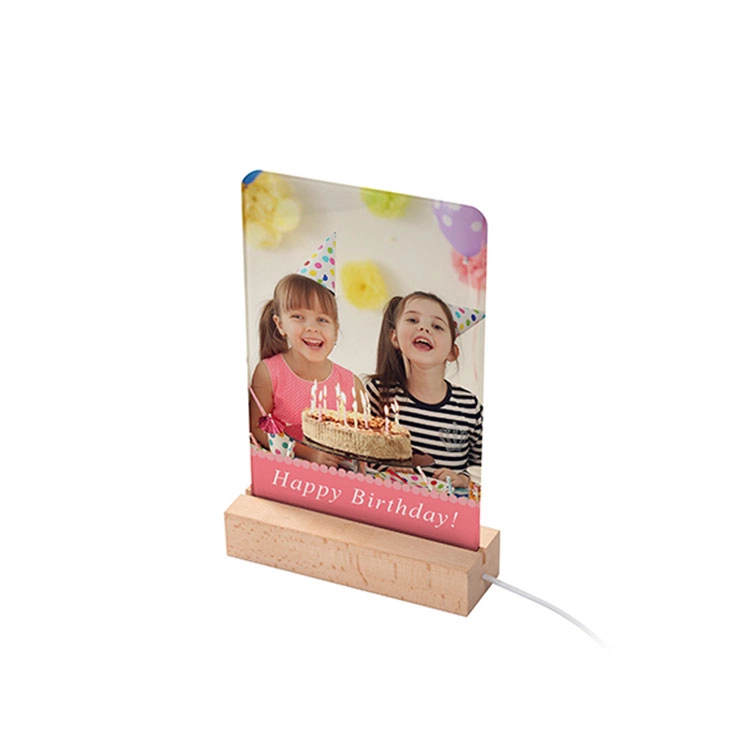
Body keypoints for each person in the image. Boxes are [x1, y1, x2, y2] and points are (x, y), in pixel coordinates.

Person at [250, 240, 366, 466]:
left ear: (336, 329)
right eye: (298, 317)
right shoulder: (269, 373)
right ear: (280, 324)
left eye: (322, 320)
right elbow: (257, 428)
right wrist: (309, 454)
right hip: (286, 477)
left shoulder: (352, 385)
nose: (312, 328)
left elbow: (361, 445)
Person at [366, 292, 484, 488]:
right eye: (413, 320)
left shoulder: (468, 407)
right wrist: (385, 468)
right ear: (395, 338)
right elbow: (358, 455)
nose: (424, 328)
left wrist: (464, 479)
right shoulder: (378, 393)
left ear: (452, 352)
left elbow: (482, 467)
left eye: (437, 326)